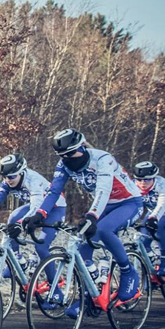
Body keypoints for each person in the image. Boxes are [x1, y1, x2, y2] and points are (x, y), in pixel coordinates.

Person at [22, 129, 143, 316]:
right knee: (81, 250)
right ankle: (87, 297)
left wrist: (92, 215)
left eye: (71, 153)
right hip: (105, 206)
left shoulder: (103, 159)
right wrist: (39, 214)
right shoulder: (64, 165)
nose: (67, 158)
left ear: (83, 146)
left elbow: (103, 189)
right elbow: (54, 192)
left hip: (129, 203)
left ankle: (128, 272)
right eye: (62, 155)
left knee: (103, 230)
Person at [0, 154, 67, 279]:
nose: (8, 180)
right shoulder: (7, 183)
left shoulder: (33, 180)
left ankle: (55, 289)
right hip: (35, 207)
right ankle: (17, 260)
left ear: (22, 172)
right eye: (5, 177)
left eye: (12, 176)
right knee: (13, 217)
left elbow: (36, 206)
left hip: (55, 209)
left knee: (41, 247)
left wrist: (20, 224)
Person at [131, 161, 165, 276]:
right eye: (139, 179)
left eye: (147, 180)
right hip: (153, 212)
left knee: (159, 224)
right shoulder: (132, 185)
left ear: (154, 177)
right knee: (143, 240)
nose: (142, 183)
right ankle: (153, 262)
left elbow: (162, 204)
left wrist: (154, 218)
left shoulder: (164, 185)